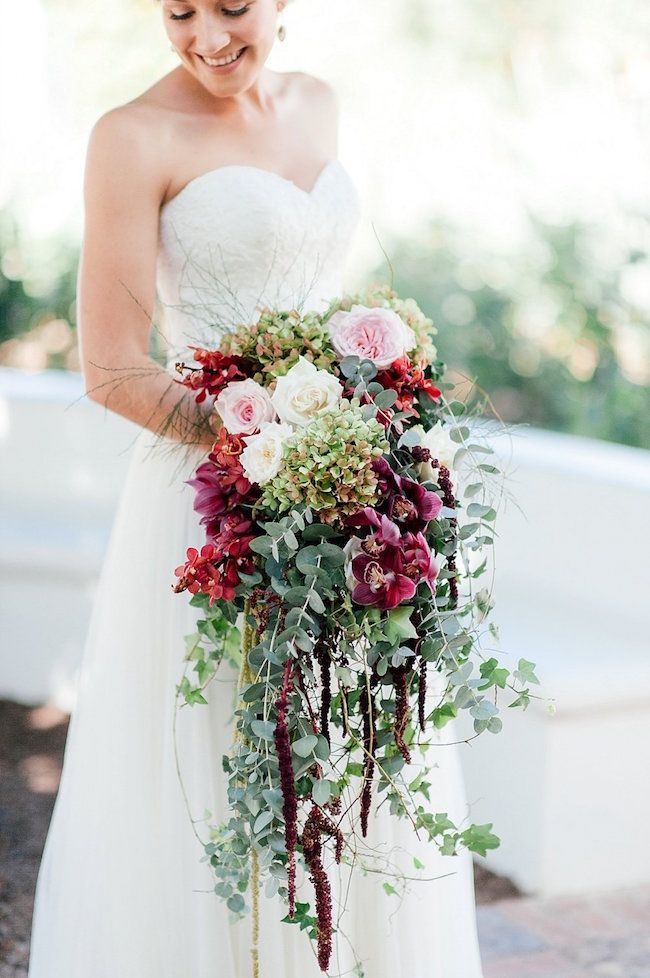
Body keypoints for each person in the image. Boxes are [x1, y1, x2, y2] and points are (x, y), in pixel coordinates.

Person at [27, 2, 485, 976]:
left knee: (346, 750)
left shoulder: (318, 104)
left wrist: (366, 433)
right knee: (223, 756)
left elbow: (307, 294)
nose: (205, 37)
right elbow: (110, 368)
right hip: (209, 501)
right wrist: (271, 442)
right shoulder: (132, 135)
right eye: (177, 11)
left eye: (232, 6)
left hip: (338, 495)